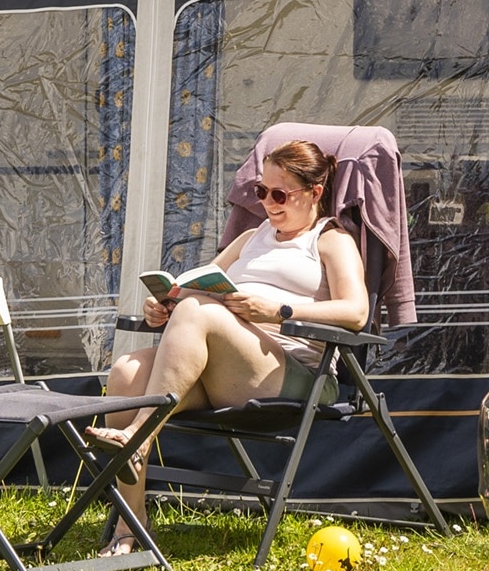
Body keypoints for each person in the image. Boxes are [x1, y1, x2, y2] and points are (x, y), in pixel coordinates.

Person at [95, 138, 369, 533]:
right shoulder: (249, 238)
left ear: (315, 193)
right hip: (224, 369)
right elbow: (193, 289)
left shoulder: (330, 240)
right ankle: (129, 523)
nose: (269, 203)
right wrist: (163, 305)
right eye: (261, 192)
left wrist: (278, 311)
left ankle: (137, 436)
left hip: (289, 374)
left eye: (280, 194)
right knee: (126, 371)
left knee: (196, 311)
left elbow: (356, 312)